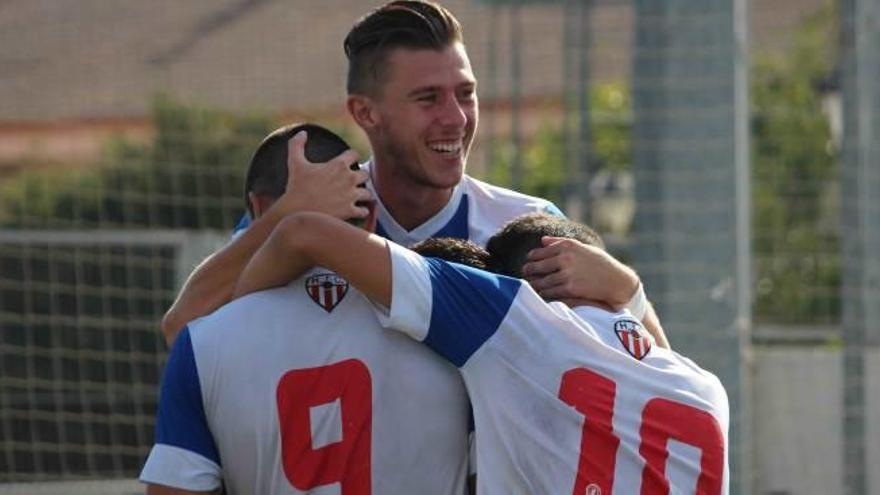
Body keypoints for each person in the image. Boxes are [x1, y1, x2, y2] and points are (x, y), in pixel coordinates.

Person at [159, 0, 668, 350]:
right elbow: (183, 331)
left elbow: (667, 391)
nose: (455, 117)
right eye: (428, 99)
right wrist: (289, 216)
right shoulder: (312, 212)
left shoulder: (524, 226)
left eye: (464, 93)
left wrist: (627, 288)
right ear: (365, 114)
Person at [233, 211, 730, 494]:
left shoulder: (516, 319)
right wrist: (632, 288)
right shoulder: (705, 388)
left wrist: (234, 331)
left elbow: (304, 233)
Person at [139, 124, 471, 495]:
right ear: (371, 213)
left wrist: (285, 215)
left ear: (259, 209)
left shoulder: (203, 344)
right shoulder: (448, 317)